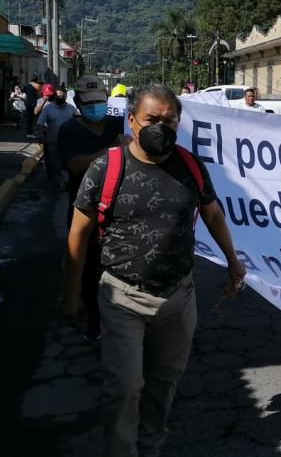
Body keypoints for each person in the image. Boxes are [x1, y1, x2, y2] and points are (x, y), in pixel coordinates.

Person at [63, 84, 245, 456]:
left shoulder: (190, 166)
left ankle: (150, 447)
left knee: (164, 384)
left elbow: (211, 213)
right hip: (122, 298)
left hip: (178, 299)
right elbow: (78, 234)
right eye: (152, 119)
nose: (161, 126)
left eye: (169, 120)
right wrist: (72, 294)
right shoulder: (106, 168)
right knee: (125, 387)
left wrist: (233, 259)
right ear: (132, 121)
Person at [58, 75, 125, 341]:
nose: (95, 106)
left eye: (100, 101)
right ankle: (93, 320)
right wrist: (111, 151)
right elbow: (74, 165)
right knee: (87, 269)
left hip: (118, 212)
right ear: (78, 102)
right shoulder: (69, 131)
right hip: (83, 211)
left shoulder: (119, 126)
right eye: (89, 102)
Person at [36, 84, 77, 188]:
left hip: (68, 142)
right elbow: (40, 123)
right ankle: (60, 181)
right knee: (55, 162)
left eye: (62, 96)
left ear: (66, 96)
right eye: (58, 96)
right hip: (52, 141)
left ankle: (67, 180)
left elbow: (78, 122)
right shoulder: (48, 108)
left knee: (67, 162)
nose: (60, 98)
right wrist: (40, 134)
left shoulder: (71, 109)